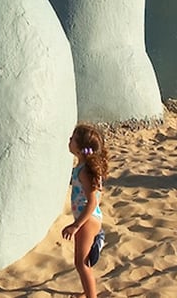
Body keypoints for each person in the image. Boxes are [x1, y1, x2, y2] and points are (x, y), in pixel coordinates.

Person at [61, 123, 109, 298]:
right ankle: (88, 291)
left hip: (87, 220)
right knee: (81, 262)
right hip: (87, 218)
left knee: (82, 264)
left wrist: (76, 225)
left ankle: (91, 296)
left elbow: (93, 201)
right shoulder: (82, 167)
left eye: (73, 139)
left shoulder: (84, 172)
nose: (69, 140)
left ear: (80, 149)